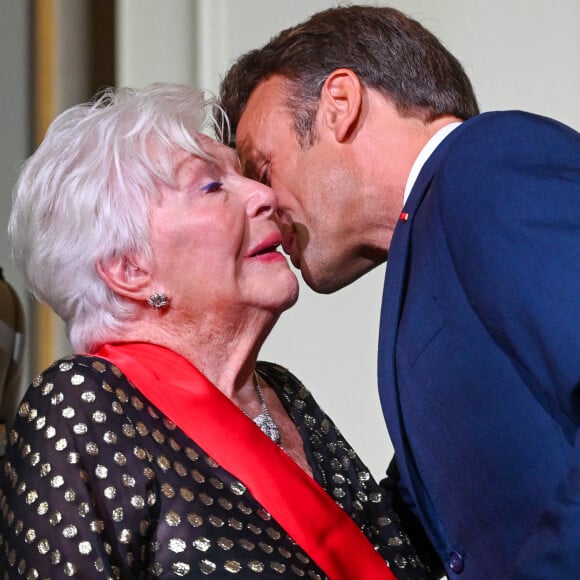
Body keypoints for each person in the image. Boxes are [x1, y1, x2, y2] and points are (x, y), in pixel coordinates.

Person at [0, 83, 436, 579]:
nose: (265, 195)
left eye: (246, 175)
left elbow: (397, 558)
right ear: (129, 267)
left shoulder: (283, 394)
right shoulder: (85, 401)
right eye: (211, 186)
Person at [218, 5, 580, 579]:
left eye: (262, 169)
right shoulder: (428, 252)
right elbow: (403, 532)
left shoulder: (485, 166)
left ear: (339, 103)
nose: (259, 205)